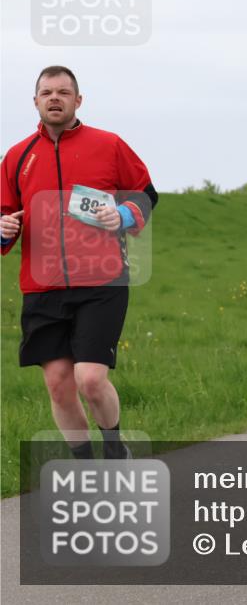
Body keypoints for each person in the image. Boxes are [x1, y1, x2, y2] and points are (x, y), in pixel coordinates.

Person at [0, 66, 157, 460]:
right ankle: (87, 466)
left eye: (64, 92)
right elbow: (6, 217)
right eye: (47, 92)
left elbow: (145, 194)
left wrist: (123, 216)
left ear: (78, 100)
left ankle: (115, 449)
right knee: (57, 383)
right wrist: (3, 229)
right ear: (35, 101)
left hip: (101, 281)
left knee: (89, 378)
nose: (55, 98)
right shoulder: (17, 157)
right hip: (42, 286)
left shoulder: (109, 145)